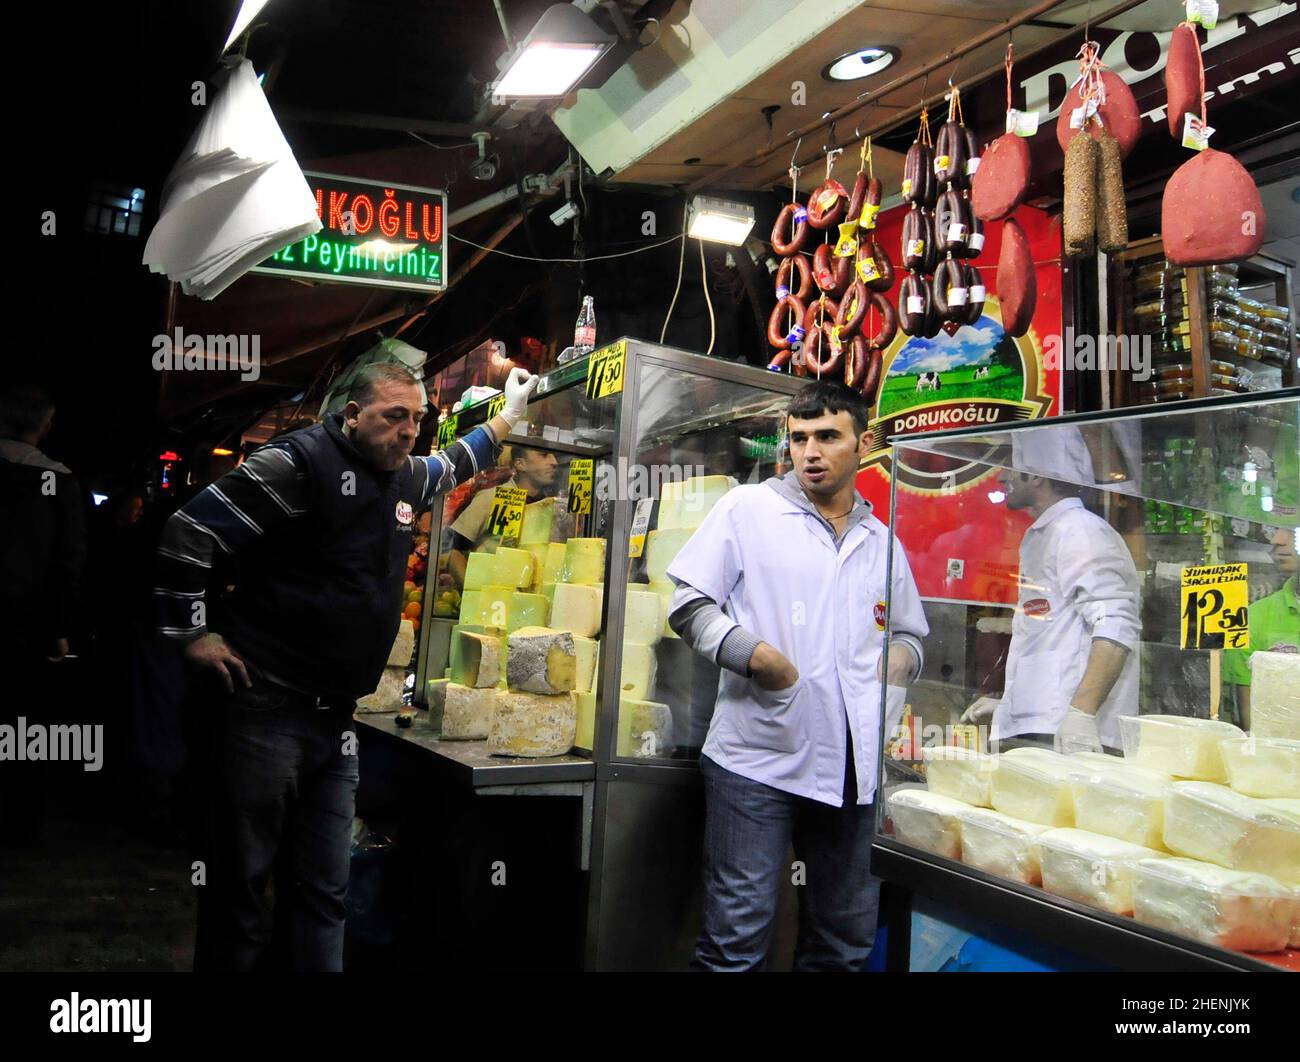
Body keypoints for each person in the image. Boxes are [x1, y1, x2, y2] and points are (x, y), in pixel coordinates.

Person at [153, 362, 537, 971]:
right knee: (243, 889)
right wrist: (191, 632)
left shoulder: (405, 476)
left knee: (326, 890)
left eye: (417, 419)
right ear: (353, 415)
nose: (409, 431)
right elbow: (189, 530)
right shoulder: (298, 464)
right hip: (263, 710)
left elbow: (451, 465)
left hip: (336, 723)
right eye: (394, 416)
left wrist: (509, 417)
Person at [666, 380, 929, 972]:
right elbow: (689, 605)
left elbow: (911, 634)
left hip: (856, 772)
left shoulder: (882, 540)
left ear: (862, 444)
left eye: (828, 436)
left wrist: (898, 662)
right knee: (736, 939)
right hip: (756, 760)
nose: (810, 451)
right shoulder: (748, 509)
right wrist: (760, 658)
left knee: (843, 943)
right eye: (800, 437)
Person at [961, 468, 1141, 754]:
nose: (1000, 479)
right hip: (1046, 728)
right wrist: (1010, 705)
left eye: (1011, 469)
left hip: (1073, 738)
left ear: (1037, 476)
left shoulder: (1081, 530)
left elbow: (1117, 624)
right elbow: (1051, 637)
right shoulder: (1046, 533)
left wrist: (1082, 714)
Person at [0, 383, 87, 849]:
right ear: (44, 425)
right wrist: (59, 630)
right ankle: (17, 823)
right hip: (26, 628)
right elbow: (66, 562)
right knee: (23, 727)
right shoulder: (56, 481)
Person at [446, 442, 563, 584]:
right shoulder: (491, 497)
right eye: (544, 455)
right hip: (490, 598)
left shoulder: (550, 507)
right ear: (520, 464)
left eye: (554, 456)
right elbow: (453, 550)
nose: (554, 462)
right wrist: (470, 591)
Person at [1222, 526, 1299, 729]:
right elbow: (1253, 730)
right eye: (1276, 529)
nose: (1276, 540)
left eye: (1293, 530)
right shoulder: (1254, 617)